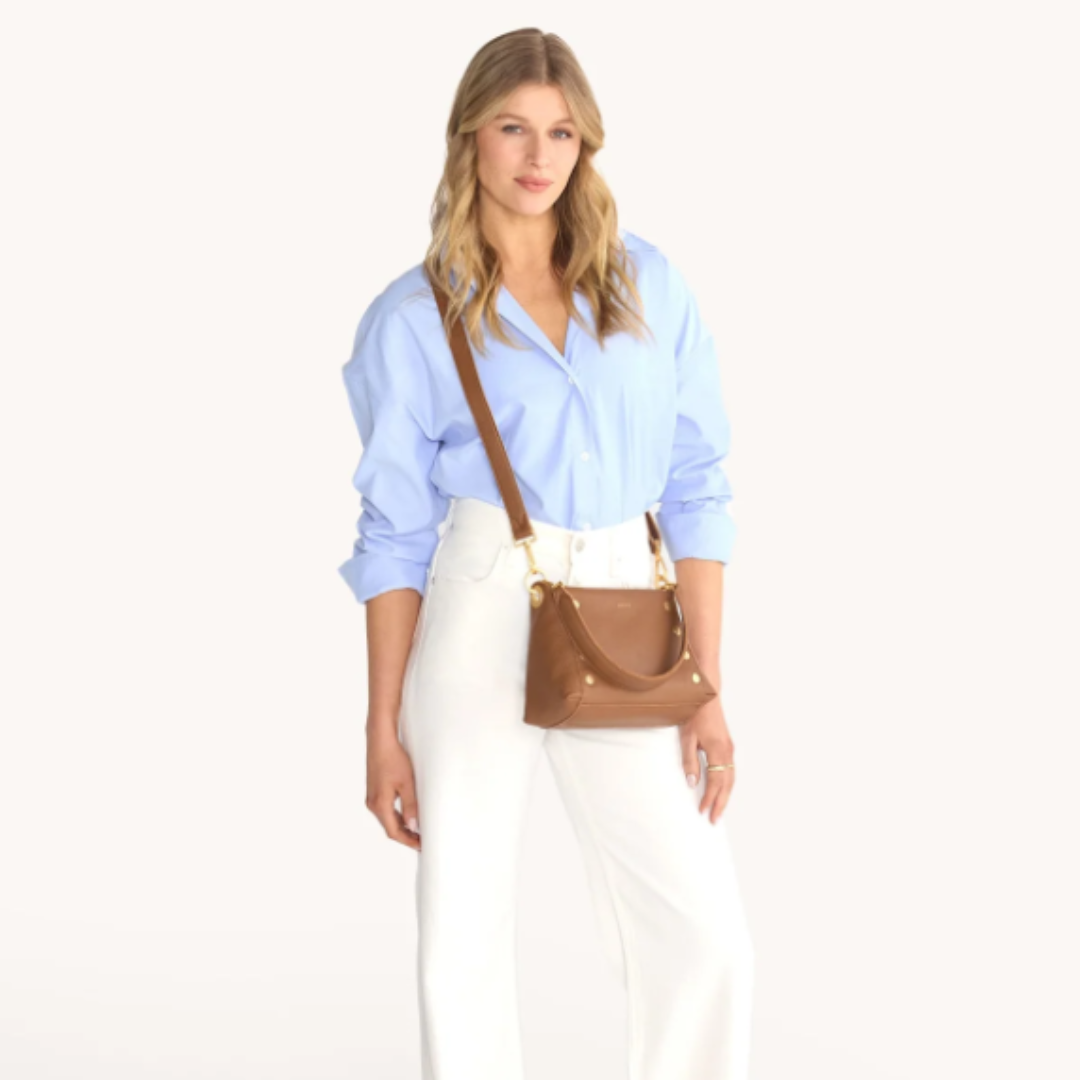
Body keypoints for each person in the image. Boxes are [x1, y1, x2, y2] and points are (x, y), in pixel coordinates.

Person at [338, 27, 754, 1080]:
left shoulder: (648, 286)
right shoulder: (413, 317)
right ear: (469, 138)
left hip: (624, 607)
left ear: (587, 145)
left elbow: (698, 489)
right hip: (480, 606)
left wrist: (705, 687)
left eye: (562, 133)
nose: (539, 156)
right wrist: (383, 729)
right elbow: (393, 535)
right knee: (463, 927)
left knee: (703, 931)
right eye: (513, 128)